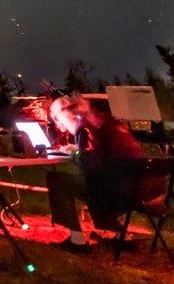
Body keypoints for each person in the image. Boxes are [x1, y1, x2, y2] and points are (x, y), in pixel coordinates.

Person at [46, 94, 161, 251]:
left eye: (56, 119)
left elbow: (90, 165)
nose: (58, 125)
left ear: (64, 116)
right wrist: (78, 150)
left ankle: (77, 240)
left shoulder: (84, 127)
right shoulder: (103, 120)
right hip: (140, 187)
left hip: (118, 193)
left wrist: (75, 154)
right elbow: (102, 154)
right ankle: (122, 236)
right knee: (96, 182)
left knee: (57, 180)